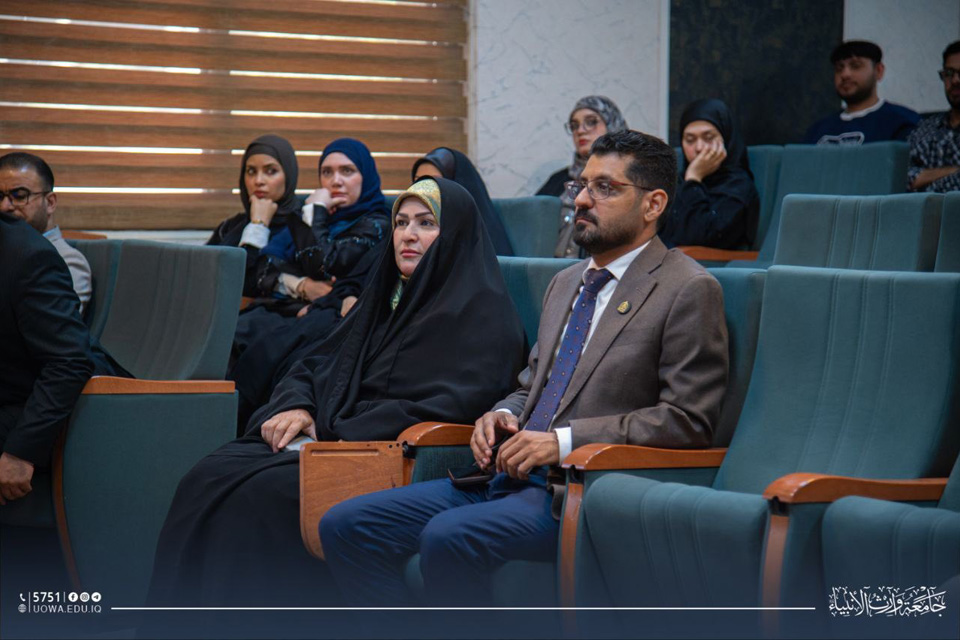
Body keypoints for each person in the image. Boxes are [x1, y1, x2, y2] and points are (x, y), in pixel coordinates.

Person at [320, 130, 730, 607]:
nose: (581, 199)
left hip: (581, 490)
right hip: (503, 477)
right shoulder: (566, 282)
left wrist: (562, 442)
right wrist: (501, 414)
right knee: (345, 525)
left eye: (604, 188)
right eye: (582, 185)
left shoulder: (687, 289)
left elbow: (687, 421)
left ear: (653, 204)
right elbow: (532, 385)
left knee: (447, 536)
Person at [146, 177, 526, 608]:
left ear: (454, 234)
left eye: (426, 223)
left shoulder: (485, 315)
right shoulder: (385, 296)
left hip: (389, 456)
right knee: (207, 474)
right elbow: (317, 361)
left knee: (260, 498)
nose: (408, 235)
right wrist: (299, 405)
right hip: (332, 437)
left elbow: (454, 405)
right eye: (401, 222)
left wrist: (335, 431)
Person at [208, 135, 389, 316]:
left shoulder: (375, 224)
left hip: (313, 318)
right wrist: (300, 285)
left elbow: (323, 266)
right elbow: (257, 275)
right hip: (278, 312)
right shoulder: (232, 226)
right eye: (327, 172)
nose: (259, 181)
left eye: (347, 171)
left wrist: (316, 211)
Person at [659, 99, 759, 249]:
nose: (699, 147)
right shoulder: (676, 183)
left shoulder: (738, 186)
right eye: (690, 140)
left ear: (726, 139)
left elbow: (698, 237)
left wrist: (694, 178)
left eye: (709, 138)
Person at [536, 95, 628, 257]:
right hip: (553, 269)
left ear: (612, 125)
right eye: (574, 125)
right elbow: (533, 228)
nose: (580, 130)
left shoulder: (628, 179)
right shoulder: (559, 180)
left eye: (591, 122)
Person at [0, 152, 92, 315]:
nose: (4, 207)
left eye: (20, 196)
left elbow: (56, 324)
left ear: (50, 203)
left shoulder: (65, 260)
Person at [804, 40, 919, 145]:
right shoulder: (817, 130)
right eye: (839, 68)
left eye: (855, 66)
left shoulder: (903, 122)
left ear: (878, 71)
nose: (845, 74)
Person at [413, 147, 514, 255]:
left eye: (434, 181)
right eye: (418, 181)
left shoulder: (478, 237)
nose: (423, 189)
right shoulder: (409, 225)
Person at [908, 40, 960, 192]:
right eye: (949, 73)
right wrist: (954, 171)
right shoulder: (926, 127)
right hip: (921, 207)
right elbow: (902, 176)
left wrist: (927, 178)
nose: (955, 80)